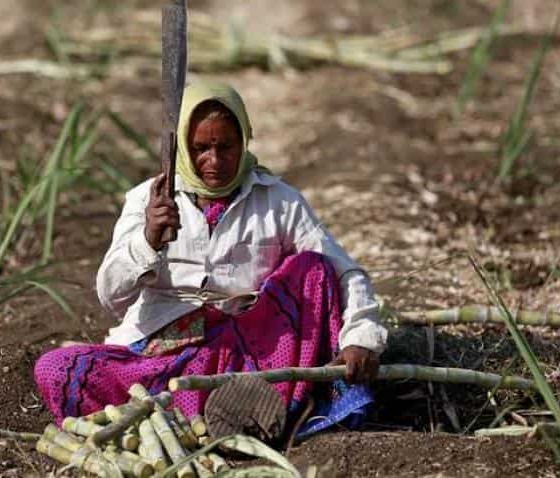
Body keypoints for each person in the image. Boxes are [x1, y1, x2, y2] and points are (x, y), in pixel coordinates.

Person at [34, 80, 387, 437]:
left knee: (313, 268)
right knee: (56, 368)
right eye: (200, 148)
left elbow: (345, 272)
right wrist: (148, 239)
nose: (214, 161)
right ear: (183, 148)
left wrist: (360, 336)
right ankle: (209, 411)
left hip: (253, 350)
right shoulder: (148, 200)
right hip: (163, 357)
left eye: (226, 147)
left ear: (244, 141)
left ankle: (254, 405)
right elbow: (111, 297)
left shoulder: (278, 200)